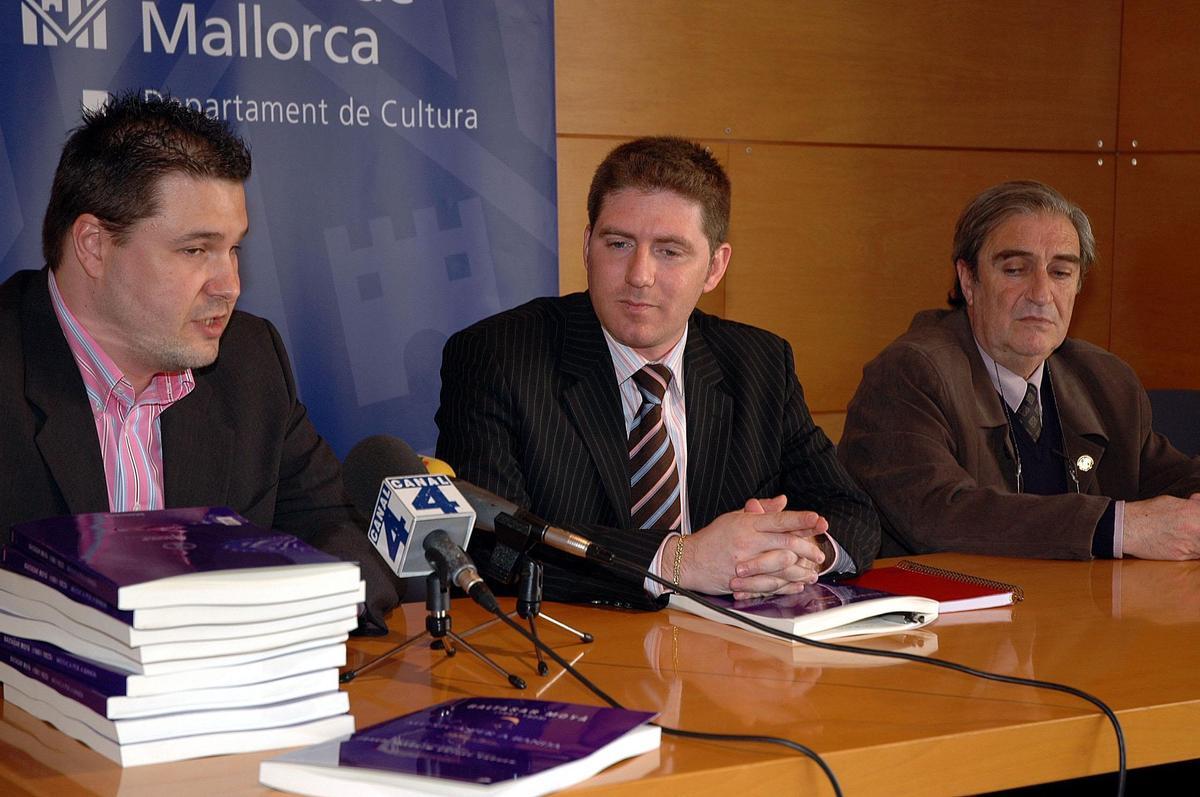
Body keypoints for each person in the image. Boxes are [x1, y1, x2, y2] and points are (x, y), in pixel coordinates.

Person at [0, 93, 399, 631]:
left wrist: (233, 628)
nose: (230, 285)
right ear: (94, 246)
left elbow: (337, 537)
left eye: (234, 249)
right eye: (195, 251)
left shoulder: (250, 360)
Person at [436, 136, 879, 608]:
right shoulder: (496, 357)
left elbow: (851, 512)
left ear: (714, 267)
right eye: (620, 243)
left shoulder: (759, 363)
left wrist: (794, 554)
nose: (639, 274)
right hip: (575, 650)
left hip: (731, 659)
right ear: (588, 246)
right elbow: (489, 545)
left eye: (669, 251)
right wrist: (679, 561)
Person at [839, 180, 1200, 560]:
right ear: (969, 281)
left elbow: (1171, 476)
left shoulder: (1105, 379)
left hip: (1077, 612)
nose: (1041, 293)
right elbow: (937, 514)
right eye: (1015, 269)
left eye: (1061, 273)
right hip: (945, 612)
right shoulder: (909, 375)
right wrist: (1116, 526)